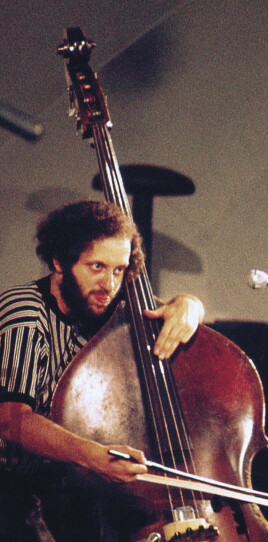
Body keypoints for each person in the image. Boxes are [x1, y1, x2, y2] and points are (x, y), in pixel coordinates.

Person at [0, 200, 206, 541]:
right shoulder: (25, 313)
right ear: (59, 262)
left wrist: (189, 306)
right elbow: (10, 418)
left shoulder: (113, 307)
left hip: (68, 491)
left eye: (118, 269)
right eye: (96, 266)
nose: (108, 284)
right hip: (11, 492)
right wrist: (96, 457)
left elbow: (173, 307)